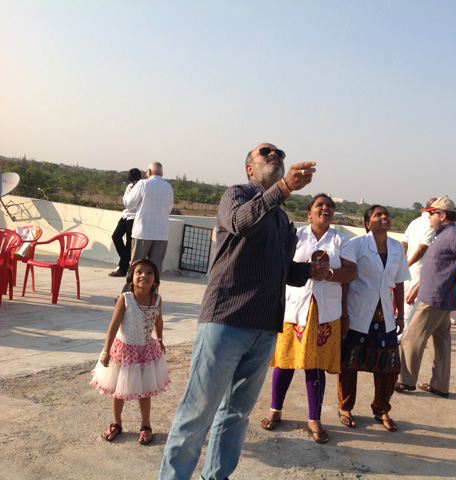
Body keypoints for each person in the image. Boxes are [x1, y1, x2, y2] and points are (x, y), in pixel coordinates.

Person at [159, 143, 327, 480]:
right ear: (249, 169)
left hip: (265, 329)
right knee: (197, 413)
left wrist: (309, 271)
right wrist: (283, 188)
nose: (275, 154)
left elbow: (284, 272)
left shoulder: (282, 219)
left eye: (279, 152)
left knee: (236, 415)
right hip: (226, 322)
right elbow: (239, 223)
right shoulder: (236, 195)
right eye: (265, 151)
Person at [260, 194, 357, 444]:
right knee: (285, 361)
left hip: (325, 312)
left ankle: (314, 419)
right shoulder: (295, 236)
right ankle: (275, 409)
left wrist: (330, 274)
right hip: (294, 309)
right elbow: (279, 266)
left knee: (315, 365)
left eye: (330, 206)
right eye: (319, 205)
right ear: (309, 213)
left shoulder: (340, 240)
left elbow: (351, 273)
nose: (325, 209)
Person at [396, 195, 456, 397]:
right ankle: (439, 385)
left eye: (431, 214)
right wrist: (418, 286)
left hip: (436, 297)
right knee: (440, 342)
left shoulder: (453, 234)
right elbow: (435, 266)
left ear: (442, 215)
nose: (429, 218)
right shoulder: (442, 234)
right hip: (438, 294)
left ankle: (406, 381)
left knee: (411, 338)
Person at [337, 205, 411, 432]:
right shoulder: (356, 245)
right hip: (357, 313)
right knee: (348, 364)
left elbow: (399, 282)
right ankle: (345, 407)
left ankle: (381, 409)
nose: (384, 217)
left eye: (386, 214)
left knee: (389, 368)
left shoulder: (397, 248)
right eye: (378, 214)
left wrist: (400, 315)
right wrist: (344, 315)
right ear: (368, 223)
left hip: (384, 317)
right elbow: (346, 281)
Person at [90, 259, 169, 445]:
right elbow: (113, 325)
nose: (144, 275)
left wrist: (160, 339)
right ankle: (116, 423)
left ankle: (146, 425)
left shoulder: (157, 300)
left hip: (145, 352)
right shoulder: (125, 299)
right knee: (119, 390)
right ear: (131, 279)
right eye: (139, 272)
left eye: (149, 273)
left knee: (145, 390)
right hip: (123, 353)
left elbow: (158, 321)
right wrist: (106, 351)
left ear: (155, 281)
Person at [124, 162, 174, 277]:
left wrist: (128, 192)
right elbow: (169, 209)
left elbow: (129, 204)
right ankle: (152, 294)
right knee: (155, 270)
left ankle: (129, 293)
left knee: (136, 267)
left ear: (149, 172)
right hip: (161, 234)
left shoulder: (143, 184)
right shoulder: (168, 187)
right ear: (162, 173)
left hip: (143, 232)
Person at [399, 197, 437, 337]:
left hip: (408, 268)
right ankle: (403, 335)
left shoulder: (414, 222)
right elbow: (422, 249)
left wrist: (404, 263)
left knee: (405, 302)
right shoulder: (430, 225)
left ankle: (402, 333)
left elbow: (404, 243)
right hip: (418, 269)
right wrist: (408, 264)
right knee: (410, 304)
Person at [109, 168, 142, 277]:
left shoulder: (140, 187)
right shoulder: (128, 187)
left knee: (129, 243)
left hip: (134, 217)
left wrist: (129, 202)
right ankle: (126, 261)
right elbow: (126, 202)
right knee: (116, 236)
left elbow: (131, 203)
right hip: (125, 216)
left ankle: (122, 268)